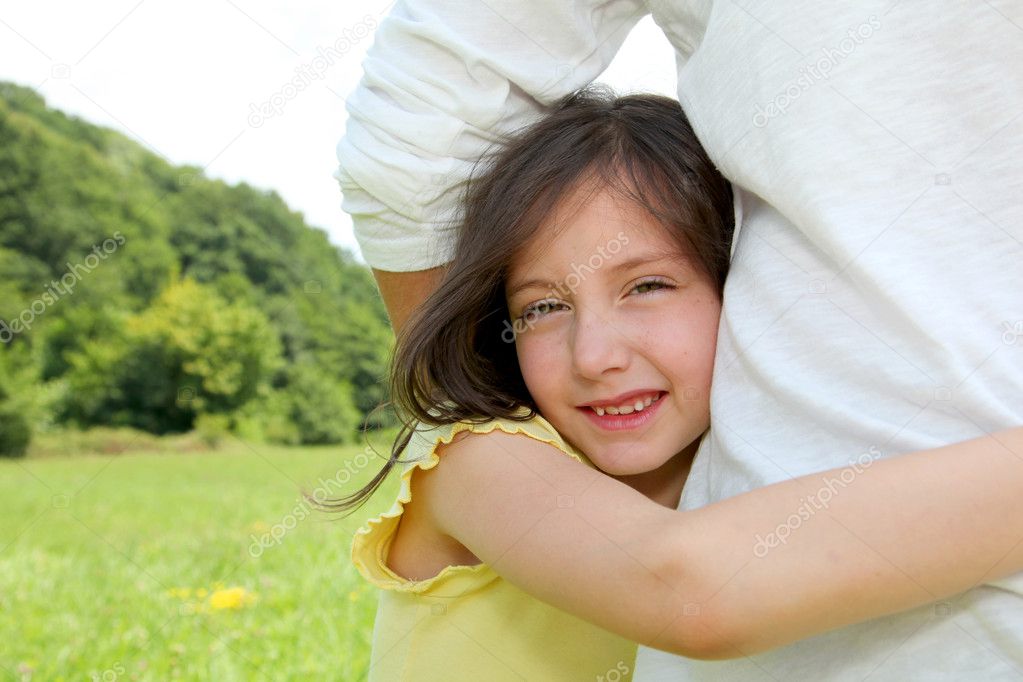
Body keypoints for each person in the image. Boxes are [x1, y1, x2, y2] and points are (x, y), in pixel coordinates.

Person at [335, 3, 1023, 679]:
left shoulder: (726, 466)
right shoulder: (477, 461)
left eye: (646, 288)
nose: (595, 354)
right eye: (542, 306)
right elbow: (692, 594)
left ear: (739, 289)